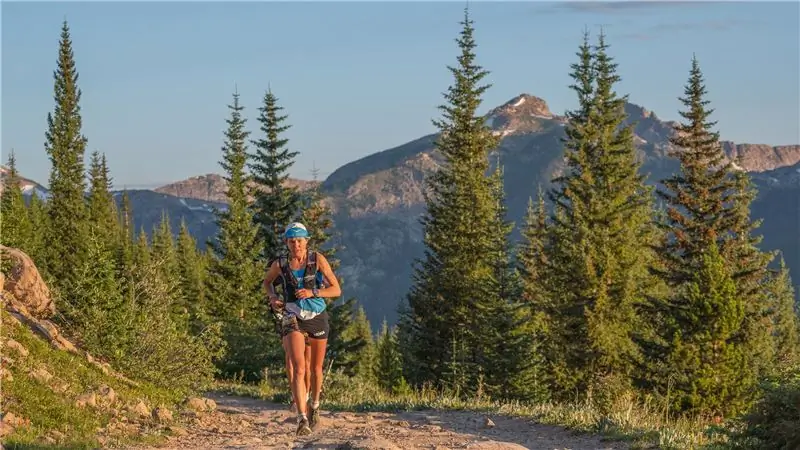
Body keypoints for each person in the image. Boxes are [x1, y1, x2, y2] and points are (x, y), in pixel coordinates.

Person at [264, 222, 341, 436]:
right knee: (299, 367)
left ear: (306, 241)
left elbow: (336, 290)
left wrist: (313, 292)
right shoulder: (280, 264)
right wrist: (272, 297)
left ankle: (314, 405)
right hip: (291, 315)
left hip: (316, 315)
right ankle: (301, 418)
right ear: (286, 243)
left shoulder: (317, 260)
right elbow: (267, 282)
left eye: (299, 240)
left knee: (315, 369)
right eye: (291, 241)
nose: (296, 244)